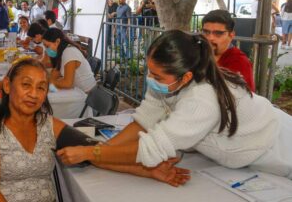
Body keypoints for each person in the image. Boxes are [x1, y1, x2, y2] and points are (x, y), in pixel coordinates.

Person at [57, 30, 292, 182]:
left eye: (157, 76)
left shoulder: (202, 99)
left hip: (280, 147)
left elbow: (152, 148)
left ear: (186, 77)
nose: (150, 79)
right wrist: (104, 151)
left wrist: (92, 152)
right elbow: (143, 122)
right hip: (243, 155)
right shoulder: (168, 81)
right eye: (150, 71)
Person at [0, 58, 67, 201]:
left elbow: (90, 146)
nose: (34, 94)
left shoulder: (48, 125)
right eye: (26, 85)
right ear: (7, 86)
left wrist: (93, 152)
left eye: (41, 87)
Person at [201, 9, 255, 91]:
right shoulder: (197, 53)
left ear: (231, 35)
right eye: (206, 32)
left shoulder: (239, 62)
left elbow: (243, 98)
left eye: (218, 33)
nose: (210, 38)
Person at [42, 28, 96, 93]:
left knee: (47, 97)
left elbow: (67, 83)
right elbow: (56, 72)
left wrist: (50, 82)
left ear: (57, 42)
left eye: (47, 46)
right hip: (77, 90)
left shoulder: (69, 52)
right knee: (47, 92)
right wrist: (47, 81)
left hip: (86, 93)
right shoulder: (61, 52)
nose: (46, 49)